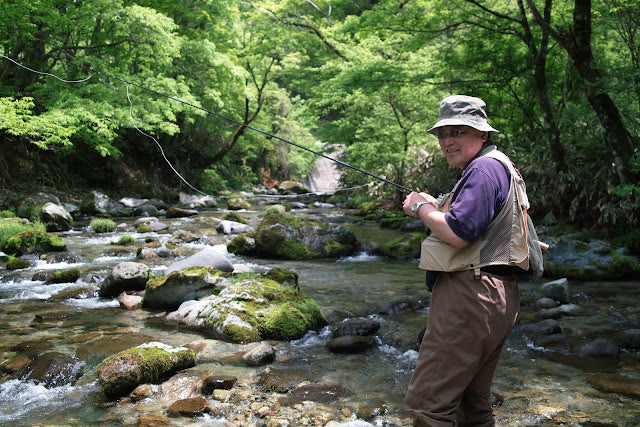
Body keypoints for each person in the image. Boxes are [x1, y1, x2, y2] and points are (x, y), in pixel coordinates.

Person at [402, 95, 531, 426]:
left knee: (429, 404)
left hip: (472, 296)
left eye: (458, 132)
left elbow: (460, 233)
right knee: (472, 403)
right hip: (496, 296)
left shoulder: (483, 169)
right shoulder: (497, 165)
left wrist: (420, 207)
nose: (448, 141)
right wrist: (436, 205)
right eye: (443, 134)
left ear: (482, 134)